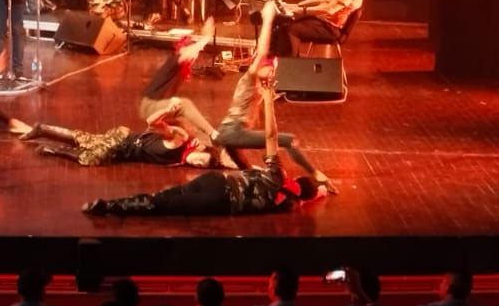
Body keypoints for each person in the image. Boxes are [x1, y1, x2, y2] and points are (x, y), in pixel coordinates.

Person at [83, 79, 321, 216]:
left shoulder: (277, 176)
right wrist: (316, 195)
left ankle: (111, 205)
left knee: (164, 199)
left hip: (218, 183)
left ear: (296, 180)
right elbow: (306, 199)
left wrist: (269, 101)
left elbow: (271, 136)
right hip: (219, 198)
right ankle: (109, 206)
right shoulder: (286, 205)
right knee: (163, 203)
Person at [216, 1, 340, 193]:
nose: (273, 72)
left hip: (230, 134)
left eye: (274, 69)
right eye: (270, 68)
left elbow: (269, 130)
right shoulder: (251, 76)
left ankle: (255, 183)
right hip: (233, 131)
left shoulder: (264, 87)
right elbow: (263, 51)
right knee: (289, 140)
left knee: (252, 172)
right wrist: (268, 18)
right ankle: (316, 175)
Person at [137, 17, 222, 146]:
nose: (196, 55)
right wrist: (207, 37)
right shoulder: (176, 59)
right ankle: (214, 135)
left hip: (156, 106)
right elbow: (189, 52)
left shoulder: (181, 71)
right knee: (185, 104)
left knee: (188, 127)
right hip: (149, 106)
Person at [17, 119, 213, 168]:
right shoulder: (182, 141)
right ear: (200, 149)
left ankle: (42, 129)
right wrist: (165, 124)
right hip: (123, 139)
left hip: (122, 149)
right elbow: (153, 122)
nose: (198, 163)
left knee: (84, 138)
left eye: (200, 166)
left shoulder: (180, 160)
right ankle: (54, 150)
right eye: (201, 159)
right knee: (90, 158)